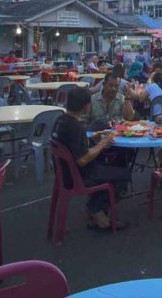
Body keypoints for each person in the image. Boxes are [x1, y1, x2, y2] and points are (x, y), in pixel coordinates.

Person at [52, 87, 131, 231]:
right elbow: (82, 159)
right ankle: (96, 209)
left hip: (63, 173)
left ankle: (95, 209)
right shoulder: (75, 127)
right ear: (86, 106)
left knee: (106, 165)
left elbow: (73, 145)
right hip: (77, 176)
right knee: (123, 174)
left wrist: (94, 136)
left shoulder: (61, 120)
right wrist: (103, 142)